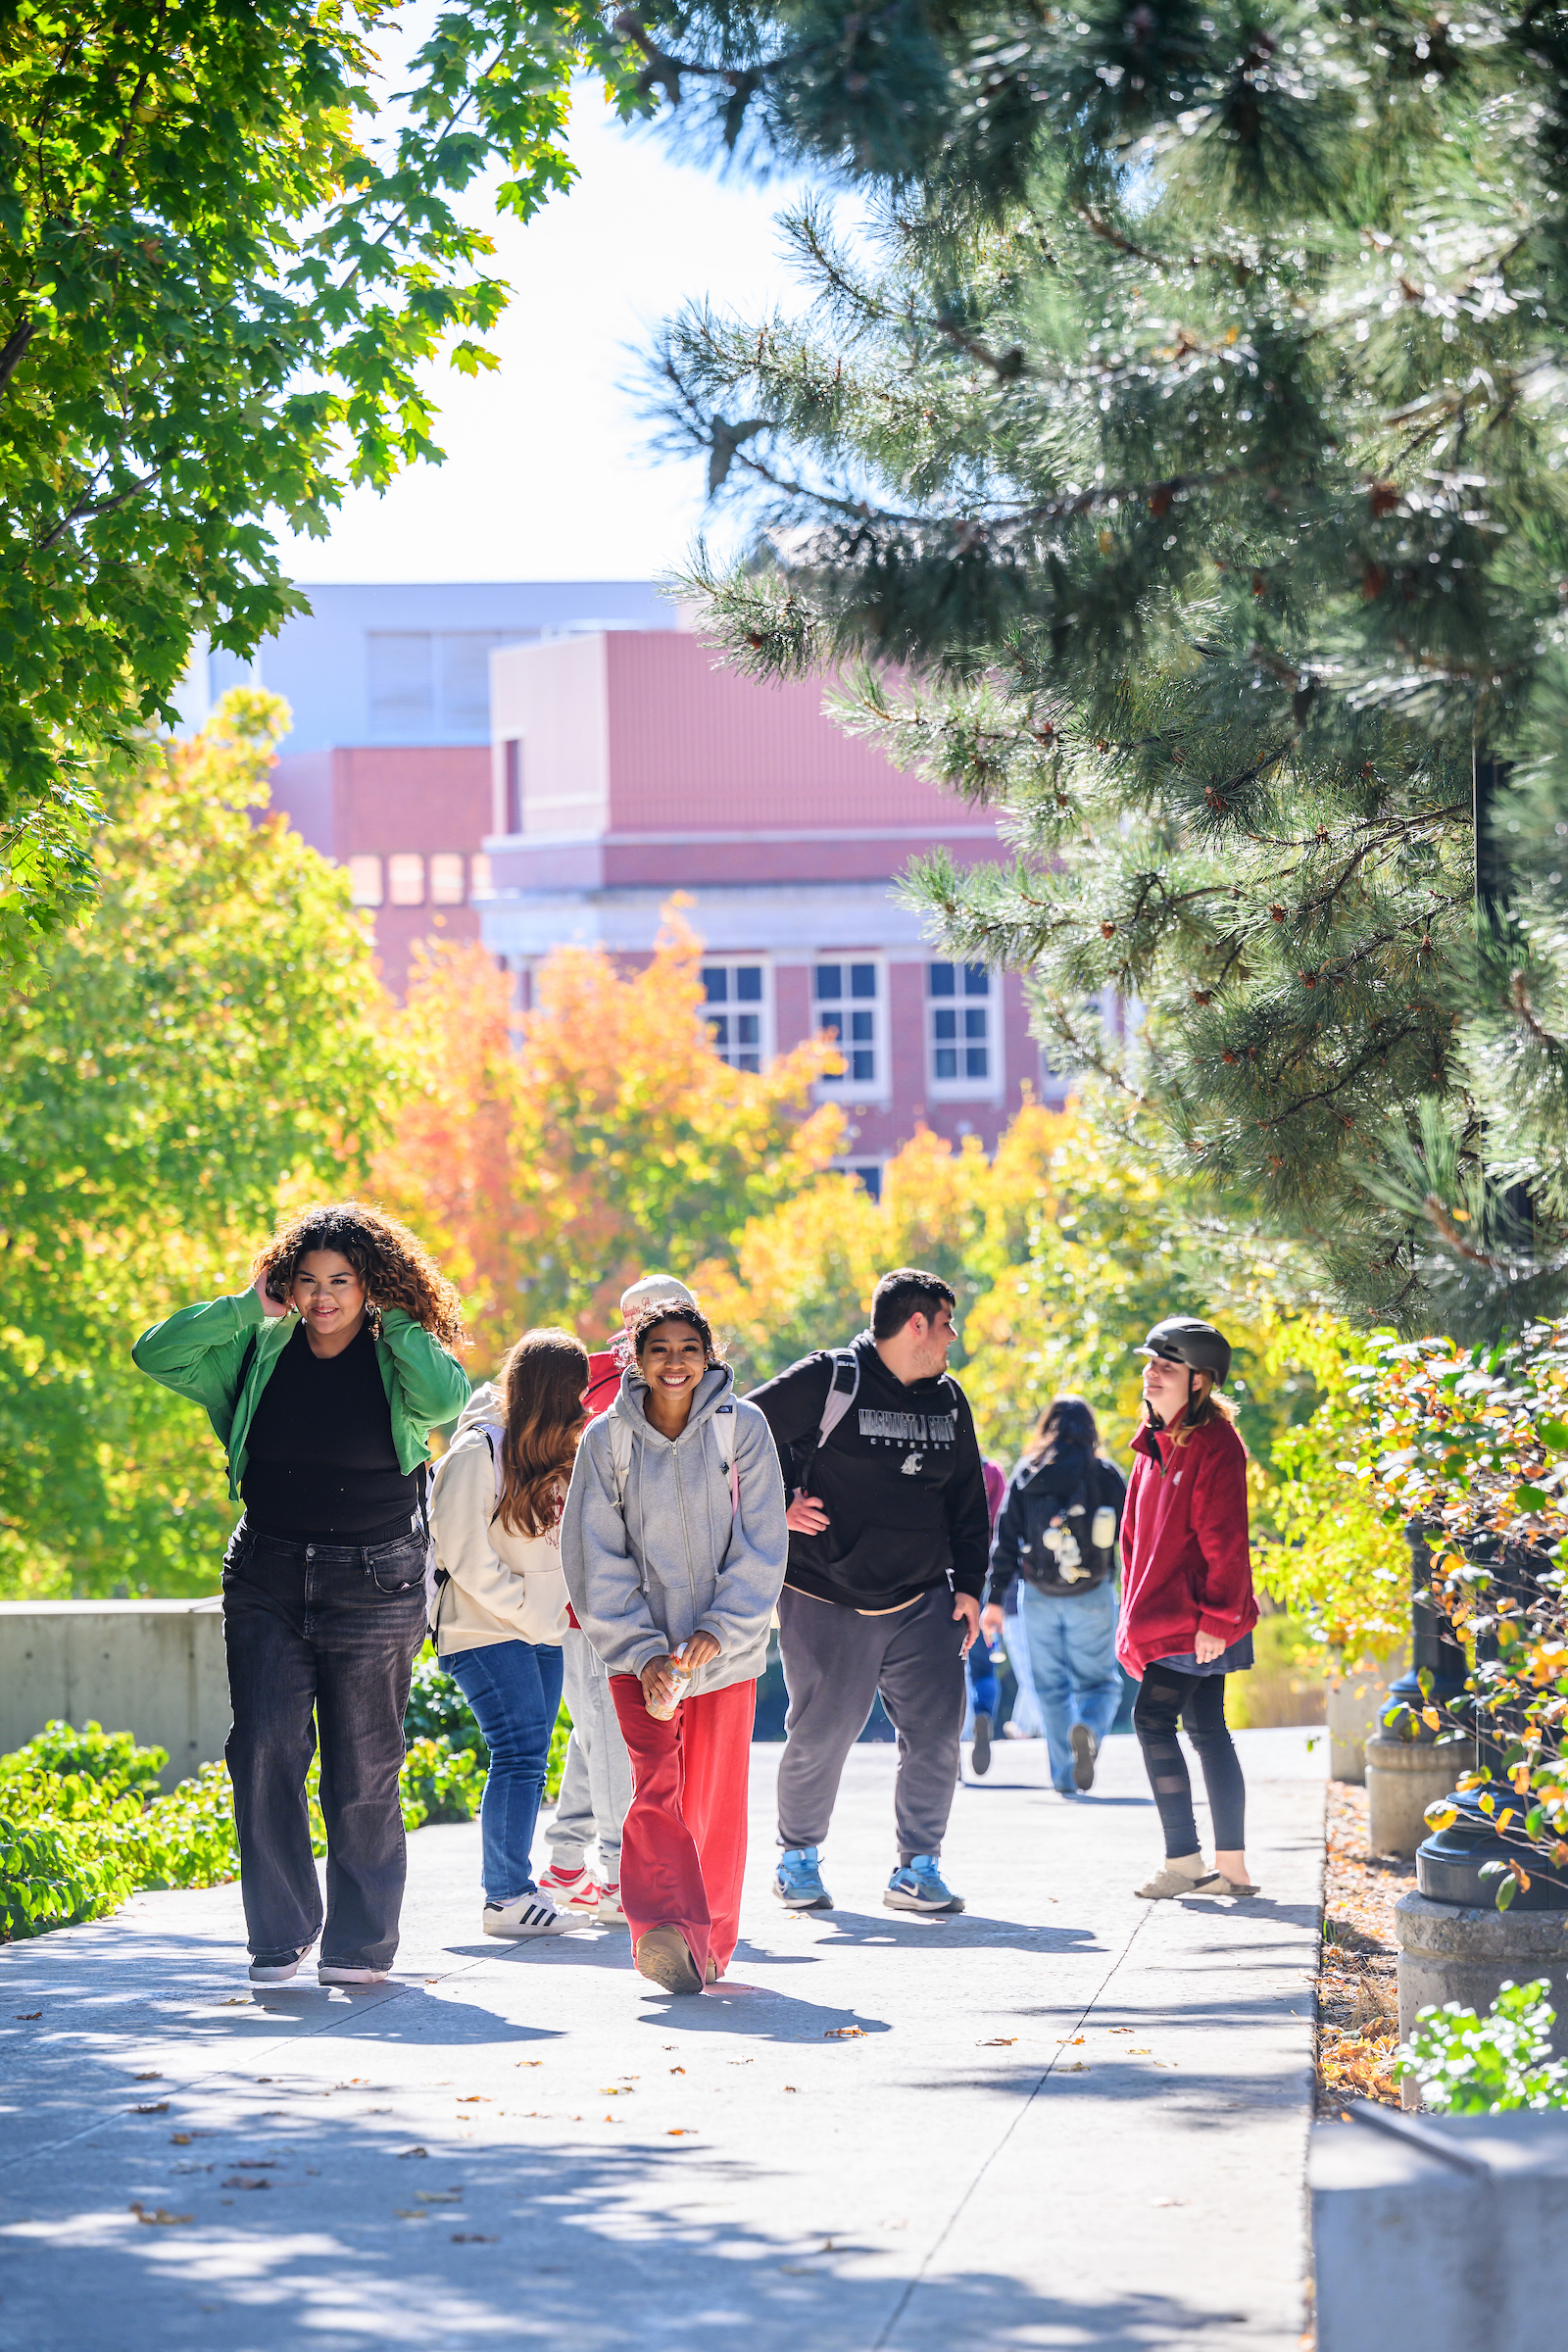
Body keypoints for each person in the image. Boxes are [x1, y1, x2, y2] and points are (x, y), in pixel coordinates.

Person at [131, 1202, 470, 1986]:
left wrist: (400, 1319)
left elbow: (447, 1399)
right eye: (308, 1280)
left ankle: (359, 1945)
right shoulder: (259, 1345)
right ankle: (280, 1933)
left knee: (363, 1767)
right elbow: (156, 1353)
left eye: (342, 1282)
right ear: (287, 1281)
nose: (323, 1297)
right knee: (262, 1750)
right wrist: (251, 1304)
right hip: (268, 1571)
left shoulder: (397, 1358)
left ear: (369, 1287)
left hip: (376, 1576)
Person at [561, 1300, 788, 1994]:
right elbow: (595, 1552)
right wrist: (644, 1650)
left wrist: (716, 1633)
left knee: (714, 1804)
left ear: (709, 1355)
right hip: (640, 1654)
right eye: (659, 1348)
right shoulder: (607, 1441)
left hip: (725, 1654)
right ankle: (663, 1930)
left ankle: (709, 1945)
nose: (675, 1361)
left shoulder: (742, 1429)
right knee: (654, 1786)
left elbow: (763, 1542)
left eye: (689, 1347)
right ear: (636, 1355)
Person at [748, 1268, 989, 1915]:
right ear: (916, 1325)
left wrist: (969, 1585)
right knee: (822, 1734)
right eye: (946, 1324)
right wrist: (775, 1505)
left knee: (937, 1738)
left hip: (923, 1599)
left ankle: (918, 1868)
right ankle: (797, 1858)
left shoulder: (949, 1400)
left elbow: (969, 1497)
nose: (952, 1337)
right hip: (826, 1593)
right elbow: (732, 1434)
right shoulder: (829, 1380)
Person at [540, 1274, 697, 1926]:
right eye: (646, 1325)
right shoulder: (597, 1387)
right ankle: (610, 1874)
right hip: (598, 1600)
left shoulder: (697, 1390)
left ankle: (567, 1861)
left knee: (597, 1730)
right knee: (604, 1733)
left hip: (668, 1600)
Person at [428, 1327, 587, 1939]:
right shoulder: (478, 1451)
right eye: (573, 1392)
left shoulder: (553, 1452)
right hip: (483, 1630)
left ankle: (514, 1892)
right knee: (518, 1755)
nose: (583, 1405)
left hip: (539, 1629)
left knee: (528, 1759)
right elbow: (464, 1555)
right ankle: (506, 1898)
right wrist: (527, 1606)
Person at [1119, 1316, 1260, 1899]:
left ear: (1198, 1382)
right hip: (1173, 1614)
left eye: (1165, 1366)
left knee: (1152, 1721)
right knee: (1206, 1727)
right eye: (1150, 1364)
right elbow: (1134, 1535)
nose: (1151, 1374)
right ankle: (1231, 1871)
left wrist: (1218, 1622)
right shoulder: (1154, 1441)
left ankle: (1184, 1861)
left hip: (1197, 1616)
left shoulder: (1213, 1443)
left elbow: (1225, 1537)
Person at [982, 1397, 1128, 1796]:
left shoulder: (1028, 1474)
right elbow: (1130, 1538)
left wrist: (994, 1600)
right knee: (1099, 1684)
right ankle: (1090, 1732)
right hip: (1093, 1593)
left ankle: (1065, 1777)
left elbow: (1005, 1537)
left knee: (1050, 1688)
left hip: (1039, 1595)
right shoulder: (1106, 1474)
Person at [963, 1458, 1009, 1775]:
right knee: (982, 1667)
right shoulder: (992, 1472)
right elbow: (1005, 1526)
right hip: (984, 1579)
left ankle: (945, 1749)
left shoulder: (944, 1463)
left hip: (945, 1578)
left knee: (942, 1673)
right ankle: (983, 1715)